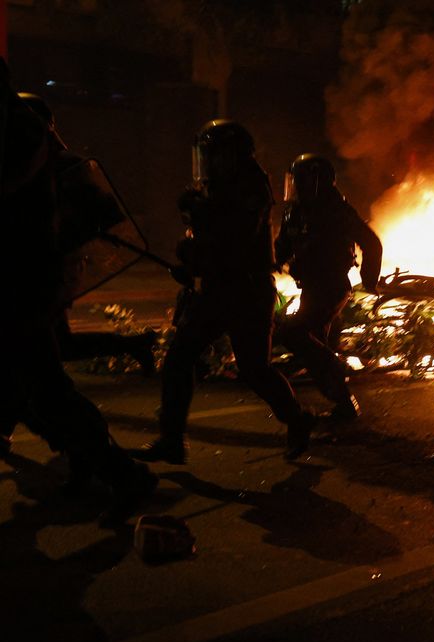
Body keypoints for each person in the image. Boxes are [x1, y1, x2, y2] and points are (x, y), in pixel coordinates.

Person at [1, 63, 157, 522]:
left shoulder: (21, 130)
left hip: (22, 283)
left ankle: (121, 473)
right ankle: (99, 464)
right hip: (17, 282)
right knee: (37, 388)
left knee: (47, 390)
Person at [135, 120, 317, 464]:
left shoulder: (252, 186)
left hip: (248, 292)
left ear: (232, 154)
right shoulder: (217, 188)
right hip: (219, 290)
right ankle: (171, 440)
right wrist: (191, 264)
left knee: (254, 369)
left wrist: (199, 215)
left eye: (214, 154)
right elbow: (210, 243)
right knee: (179, 359)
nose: (208, 162)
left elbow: (235, 236)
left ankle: (297, 419)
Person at [18, 92, 157, 375]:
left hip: (53, 268)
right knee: (57, 342)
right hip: (39, 266)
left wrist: (68, 234)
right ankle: (134, 345)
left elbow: (106, 214)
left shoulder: (64, 165)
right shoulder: (26, 167)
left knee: (39, 341)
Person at [275, 153, 382, 420]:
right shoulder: (295, 213)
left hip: (332, 286)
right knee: (312, 343)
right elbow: (282, 246)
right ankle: (341, 404)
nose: (296, 187)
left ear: (318, 181)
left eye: (301, 180)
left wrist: (369, 280)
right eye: (294, 181)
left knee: (296, 334)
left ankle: (343, 398)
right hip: (310, 288)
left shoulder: (337, 211)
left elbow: (371, 243)